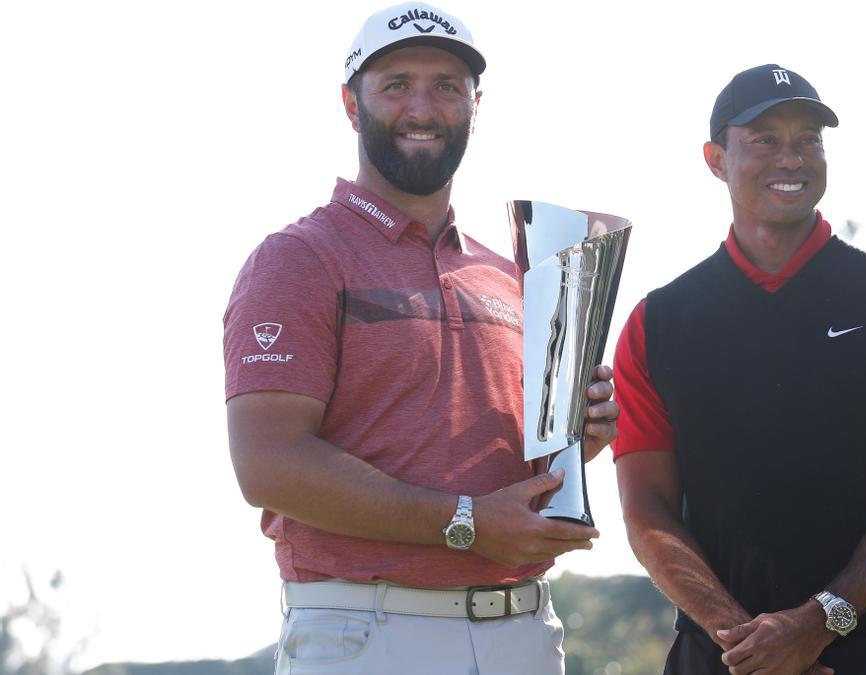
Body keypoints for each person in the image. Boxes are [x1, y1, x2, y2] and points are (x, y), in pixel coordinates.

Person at [222, 4, 617, 673]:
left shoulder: (510, 274)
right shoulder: (299, 259)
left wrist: (578, 440)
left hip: (522, 628)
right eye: (397, 83)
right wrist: (464, 519)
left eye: (447, 86)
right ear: (352, 103)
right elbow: (268, 464)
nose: (423, 107)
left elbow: (510, 483)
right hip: (369, 632)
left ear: (475, 103)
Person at [612, 64, 866, 675]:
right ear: (715, 158)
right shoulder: (658, 323)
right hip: (720, 656)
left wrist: (815, 623)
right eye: (763, 140)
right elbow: (647, 512)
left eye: (808, 139)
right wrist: (751, 645)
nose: (791, 158)